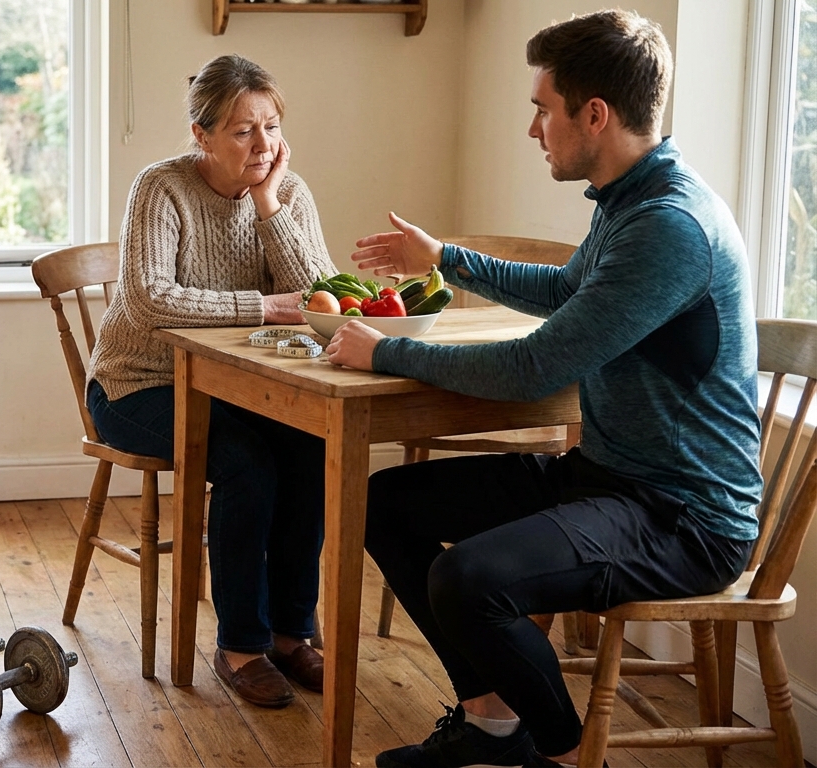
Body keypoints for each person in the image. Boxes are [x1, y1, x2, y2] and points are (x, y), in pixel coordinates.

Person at [325, 10, 760, 768]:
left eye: (541, 108)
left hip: (684, 517)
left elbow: (533, 369)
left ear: (594, 114)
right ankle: (492, 723)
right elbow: (566, 291)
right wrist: (446, 259)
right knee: (386, 506)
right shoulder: (630, 203)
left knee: (466, 579)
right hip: (609, 480)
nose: (533, 129)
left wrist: (388, 351)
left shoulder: (670, 226)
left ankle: (557, 748)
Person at [85, 54, 335, 709]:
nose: (264, 144)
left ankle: (291, 634)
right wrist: (263, 306)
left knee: (310, 449)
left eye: (272, 126)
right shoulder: (161, 187)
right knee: (247, 465)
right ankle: (240, 646)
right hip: (138, 385)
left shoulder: (287, 191)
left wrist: (267, 203)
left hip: (236, 384)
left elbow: (320, 298)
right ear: (202, 135)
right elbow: (149, 300)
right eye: (243, 131)